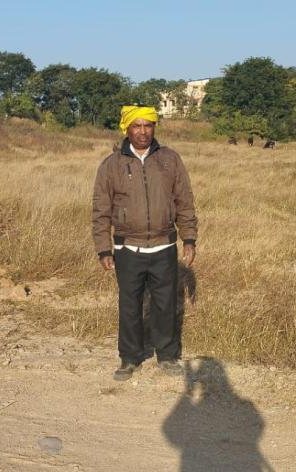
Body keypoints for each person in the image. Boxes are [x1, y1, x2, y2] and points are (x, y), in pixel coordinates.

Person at [92, 105, 198, 381]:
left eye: (148, 125)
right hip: (127, 248)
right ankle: (129, 358)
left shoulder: (170, 160)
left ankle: (167, 355)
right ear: (126, 129)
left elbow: (184, 201)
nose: (142, 131)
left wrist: (189, 238)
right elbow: (101, 210)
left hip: (164, 246)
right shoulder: (111, 165)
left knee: (165, 304)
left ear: (154, 128)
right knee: (130, 305)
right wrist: (104, 248)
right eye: (136, 126)